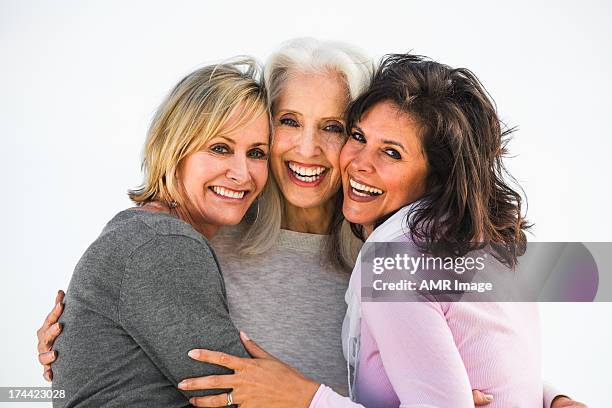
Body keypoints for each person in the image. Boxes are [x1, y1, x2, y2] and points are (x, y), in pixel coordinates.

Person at [37, 41, 578, 407]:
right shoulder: (207, 237)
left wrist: (544, 396)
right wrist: (81, 338)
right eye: (289, 122)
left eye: (335, 127)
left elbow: (477, 337)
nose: (308, 149)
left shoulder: (387, 253)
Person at [50, 59, 273, 407]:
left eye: (257, 153)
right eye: (220, 148)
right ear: (175, 147)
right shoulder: (164, 244)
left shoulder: (142, 233)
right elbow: (242, 396)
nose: (242, 174)